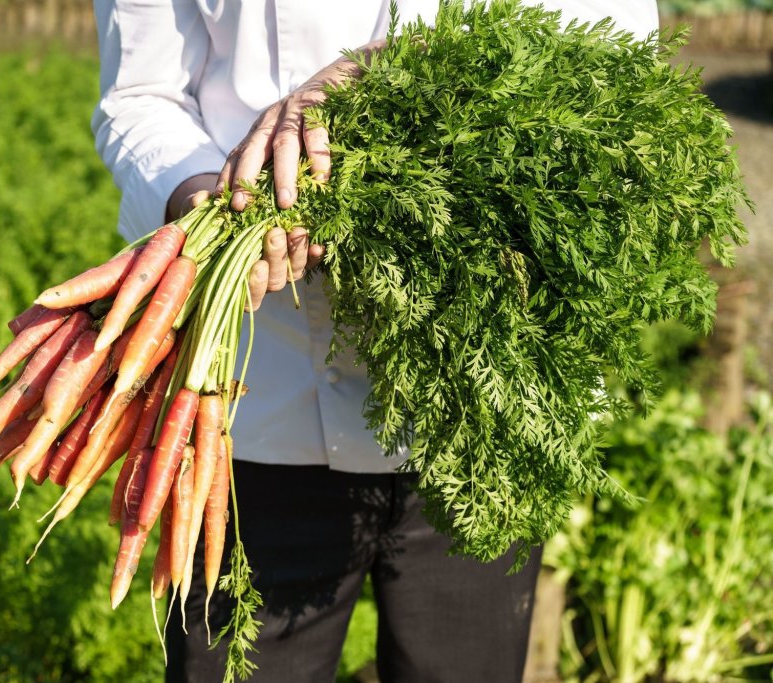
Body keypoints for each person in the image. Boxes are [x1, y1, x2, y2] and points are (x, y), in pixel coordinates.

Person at [91, 2, 659, 680]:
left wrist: (385, 67)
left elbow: (612, 66)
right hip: (252, 400)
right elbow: (141, 94)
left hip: (488, 404)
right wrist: (201, 194)